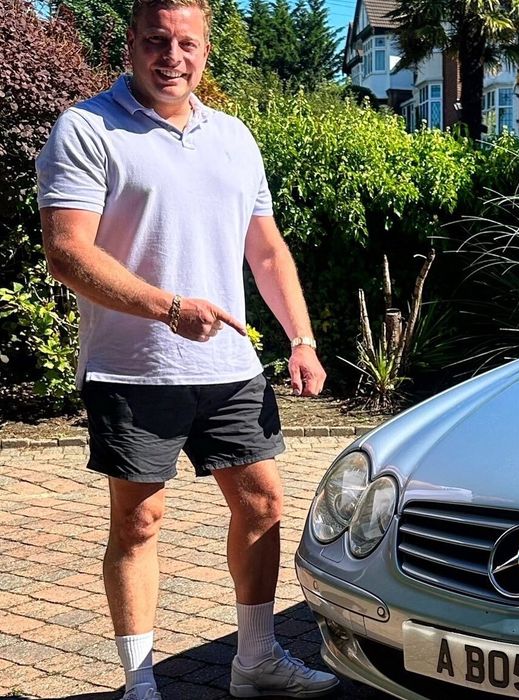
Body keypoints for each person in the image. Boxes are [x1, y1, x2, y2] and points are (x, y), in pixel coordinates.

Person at [35, 0, 338, 698]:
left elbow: (264, 249)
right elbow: (66, 251)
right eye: (156, 41)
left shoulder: (233, 136)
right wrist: (167, 310)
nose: (171, 56)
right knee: (140, 519)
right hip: (132, 365)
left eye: (186, 43)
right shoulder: (87, 128)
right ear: (131, 43)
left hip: (229, 366)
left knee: (262, 505)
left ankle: (255, 661)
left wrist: (302, 337)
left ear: (206, 51)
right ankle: (140, 684)